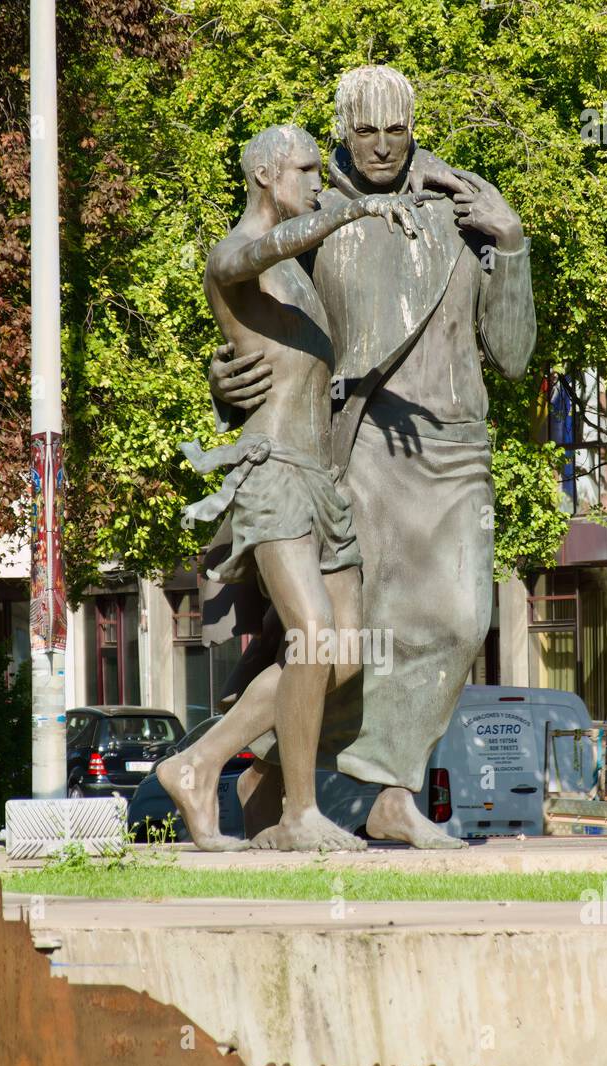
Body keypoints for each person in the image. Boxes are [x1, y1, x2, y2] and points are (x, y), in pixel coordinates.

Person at [209, 64, 537, 849]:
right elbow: (261, 324)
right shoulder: (315, 212)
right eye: (364, 131)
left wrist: (514, 244)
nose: (382, 146)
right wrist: (225, 379)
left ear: (413, 127)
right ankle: (360, 794)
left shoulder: (460, 205)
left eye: (395, 130)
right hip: (354, 444)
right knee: (357, 640)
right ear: (341, 133)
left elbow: (516, 355)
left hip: (454, 444)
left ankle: (310, 771)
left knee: (462, 621)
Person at [156, 122, 424, 850]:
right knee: (309, 637)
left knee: (341, 654)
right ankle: (297, 815)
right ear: (265, 174)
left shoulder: (299, 274)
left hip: (319, 480)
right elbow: (252, 256)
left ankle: (196, 761)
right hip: (270, 472)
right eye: (305, 170)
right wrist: (352, 207)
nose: (315, 181)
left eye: (317, 172)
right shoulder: (233, 255)